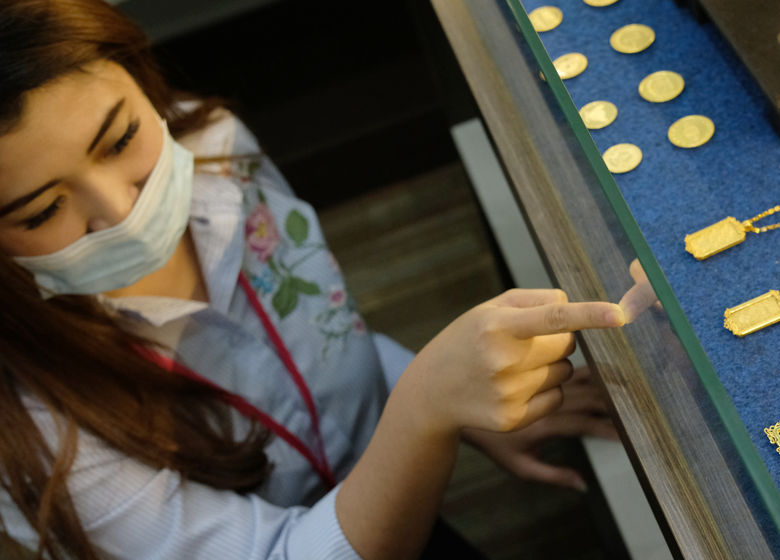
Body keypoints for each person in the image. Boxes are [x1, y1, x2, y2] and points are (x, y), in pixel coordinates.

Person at [0, 0, 635, 558]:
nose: (121, 211)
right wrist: (425, 409)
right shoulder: (31, 432)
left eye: (121, 139)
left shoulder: (217, 149)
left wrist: (444, 412)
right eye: (43, 210)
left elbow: (329, 330)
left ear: (143, 80)